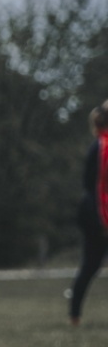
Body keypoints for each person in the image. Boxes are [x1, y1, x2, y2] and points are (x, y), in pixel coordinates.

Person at [67, 99, 108, 326]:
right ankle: (74, 315)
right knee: (90, 265)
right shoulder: (103, 145)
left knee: (90, 265)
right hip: (97, 213)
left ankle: (74, 314)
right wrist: (103, 220)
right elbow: (99, 188)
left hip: (97, 210)